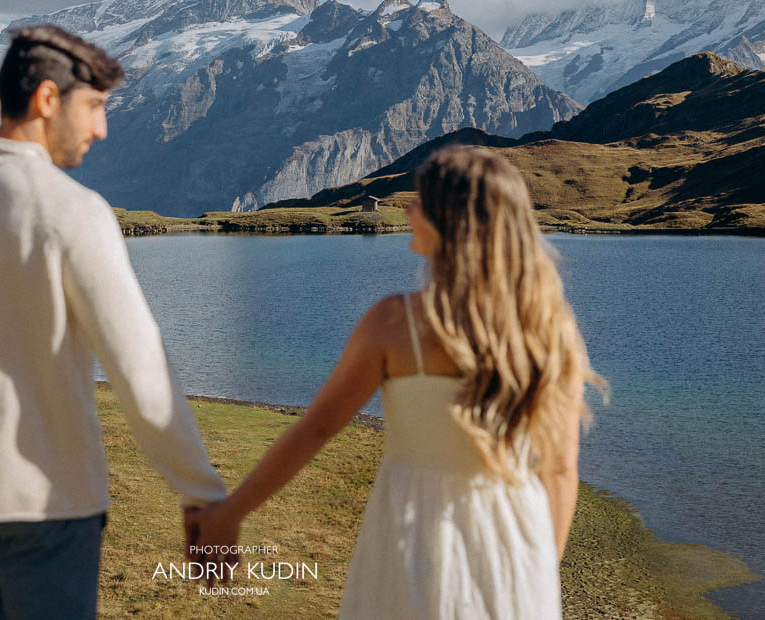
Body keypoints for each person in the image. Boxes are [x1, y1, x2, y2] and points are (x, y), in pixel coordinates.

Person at [0, 25, 227, 619]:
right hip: (45, 502)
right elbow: (140, 369)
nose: (101, 128)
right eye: (94, 107)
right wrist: (201, 492)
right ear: (45, 100)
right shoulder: (71, 210)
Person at [188, 146, 606, 618]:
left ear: (450, 223)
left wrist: (229, 514)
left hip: (417, 537)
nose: (407, 211)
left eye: (420, 203)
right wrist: (541, 574)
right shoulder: (552, 329)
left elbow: (317, 429)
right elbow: (559, 471)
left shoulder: (394, 323)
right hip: (519, 546)